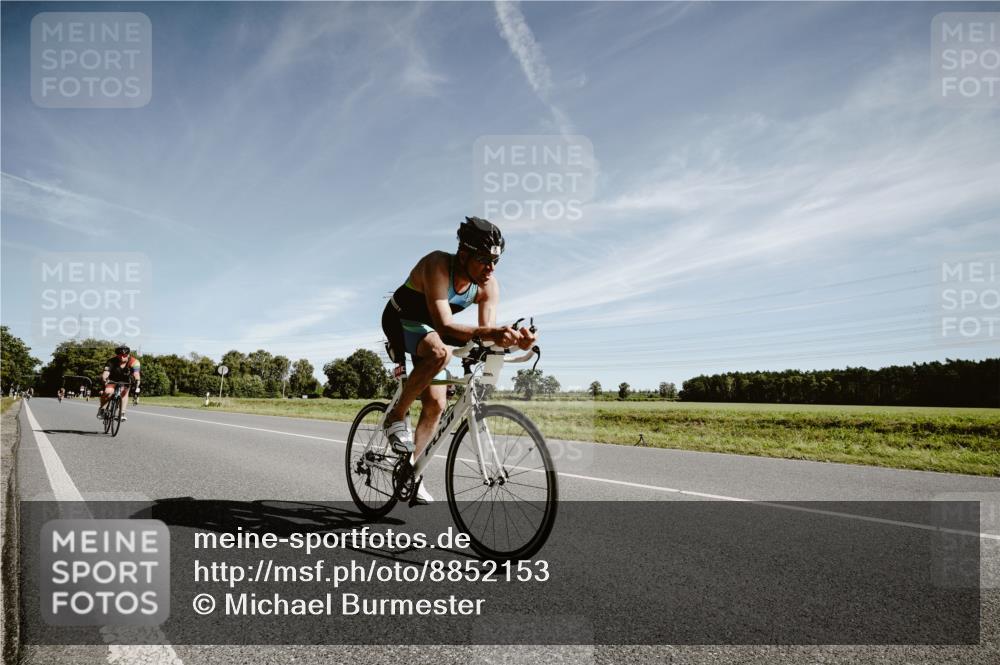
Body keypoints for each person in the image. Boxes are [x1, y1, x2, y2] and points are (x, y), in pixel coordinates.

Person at [381, 217, 536, 503]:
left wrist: (516, 341)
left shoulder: (488, 286)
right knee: (440, 352)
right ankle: (395, 416)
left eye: (495, 261)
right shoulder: (437, 265)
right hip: (402, 319)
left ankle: (411, 474)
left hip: (431, 333)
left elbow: (486, 336)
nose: (491, 268)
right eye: (484, 260)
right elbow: (445, 327)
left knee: (436, 405)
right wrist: (491, 333)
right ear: (463, 255)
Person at [97, 346, 141, 421]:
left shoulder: (134, 362)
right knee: (108, 392)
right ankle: (102, 409)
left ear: (128, 354)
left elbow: (136, 374)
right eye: (120, 355)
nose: (122, 357)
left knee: (124, 392)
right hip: (112, 379)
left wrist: (137, 384)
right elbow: (106, 373)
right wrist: (104, 378)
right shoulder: (111, 361)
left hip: (125, 380)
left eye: (124, 355)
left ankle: (122, 414)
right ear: (117, 355)